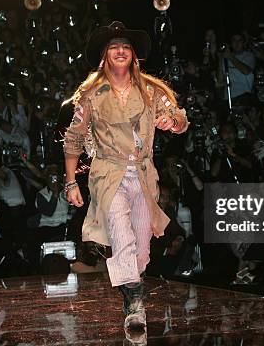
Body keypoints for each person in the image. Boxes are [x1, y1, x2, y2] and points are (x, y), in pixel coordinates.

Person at [63, 21, 188, 332]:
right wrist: (70, 182)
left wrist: (170, 121)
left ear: (134, 56)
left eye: (126, 47)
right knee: (121, 235)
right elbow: (73, 139)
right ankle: (134, 304)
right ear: (105, 56)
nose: (120, 50)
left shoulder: (151, 90)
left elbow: (181, 118)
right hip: (108, 174)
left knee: (142, 248)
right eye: (113, 47)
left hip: (144, 176)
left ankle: (131, 285)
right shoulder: (91, 94)